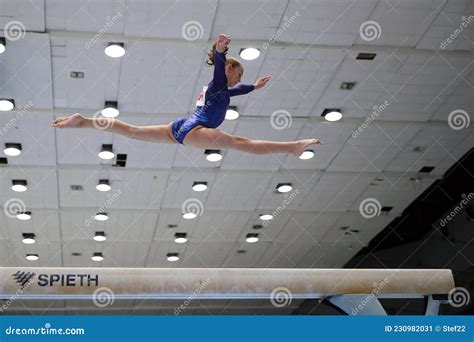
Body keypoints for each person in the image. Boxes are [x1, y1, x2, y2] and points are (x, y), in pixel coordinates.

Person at [51, 34, 321, 156]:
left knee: (132, 130)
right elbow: (221, 70)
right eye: (238, 74)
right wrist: (220, 51)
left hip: (182, 126)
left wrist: (254, 87)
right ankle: (293, 147)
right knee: (241, 143)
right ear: (229, 69)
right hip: (195, 128)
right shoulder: (217, 81)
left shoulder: (219, 88)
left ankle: (84, 121)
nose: (240, 80)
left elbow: (236, 89)